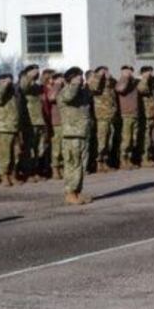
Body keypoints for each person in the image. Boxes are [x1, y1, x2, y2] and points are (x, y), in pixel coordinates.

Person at [59, 66, 93, 205]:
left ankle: (77, 191)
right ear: (70, 79)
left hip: (82, 133)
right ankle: (70, 192)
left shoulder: (81, 92)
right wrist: (74, 84)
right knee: (73, 164)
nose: (80, 79)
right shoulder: (65, 91)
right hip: (71, 134)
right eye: (77, 76)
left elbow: (94, 91)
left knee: (82, 165)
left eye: (81, 76)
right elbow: (69, 96)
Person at [19, 64, 47, 180]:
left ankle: (36, 171)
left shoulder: (36, 86)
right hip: (29, 121)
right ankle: (28, 172)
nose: (37, 73)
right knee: (29, 149)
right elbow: (23, 86)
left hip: (39, 120)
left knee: (39, 149)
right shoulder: (25, 83)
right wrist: (29, 76)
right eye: (34, 71)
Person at [87, 65, 118, 172]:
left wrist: (109, 78)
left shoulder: (108, 84)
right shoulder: (96, 83)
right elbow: (93, 87)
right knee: (101, 141)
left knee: (108, 141)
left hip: (110, 116)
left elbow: (117, 85)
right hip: (101, 117)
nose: (105, 73)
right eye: (103, 71)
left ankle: (105, 161)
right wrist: (99, 75)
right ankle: (98, 163)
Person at [0, 74, 21, 186]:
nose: (9, 83)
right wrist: (4, 85)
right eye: (6, 81)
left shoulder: (12, 93)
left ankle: (13, 174)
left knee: (16, 153)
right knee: (5, 154)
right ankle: (4, 175)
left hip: (14, 126)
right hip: (4, 127)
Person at [115, 65, 140, 169]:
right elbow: (120, 89)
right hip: (126, 114)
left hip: (134, 113)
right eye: (127, 71)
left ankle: (129, 160)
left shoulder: (133, 82)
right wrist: (125, 77)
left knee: (133, 139)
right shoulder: (121, 81)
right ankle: (123, 160)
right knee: (126, 139)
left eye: (131, 71)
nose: (129, 72)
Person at [137, 66, 154, 168]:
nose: (150, 74)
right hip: (144, 114)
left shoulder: (152, 83)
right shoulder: (140, 82)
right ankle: (144, 159)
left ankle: (149, 157)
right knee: (146, 137)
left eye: (151, 72)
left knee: (151, 137)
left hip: (151, 114)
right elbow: (141, 90)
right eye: (148, 72)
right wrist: (145, 78)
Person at [45, 71, 65, 180]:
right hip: (56, 121)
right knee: (56, 147)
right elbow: (51, 97)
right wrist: (57, 84)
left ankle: (62, 166)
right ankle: (55, 168)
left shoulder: (64, 88)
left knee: (63, 147)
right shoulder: (53, 88)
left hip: (65, 121)